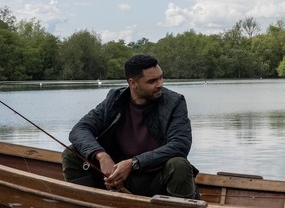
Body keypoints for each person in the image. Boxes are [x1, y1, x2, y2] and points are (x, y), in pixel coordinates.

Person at [62, 54, 198, 198]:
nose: (160, 84)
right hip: (118, 179)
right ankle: (91, 207)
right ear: (133, 83)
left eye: (161, 77)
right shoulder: (115, 100)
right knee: (72, 153)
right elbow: (79, 129)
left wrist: (134, 163)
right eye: (152, 81)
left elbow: (180, 144)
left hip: (158, 181)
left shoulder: (175, 102)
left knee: (179, 164)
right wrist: (101, 155)